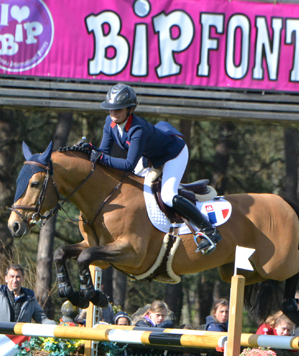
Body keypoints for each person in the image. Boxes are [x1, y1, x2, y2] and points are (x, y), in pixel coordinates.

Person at [92, 83, 221, 255]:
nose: (113, 113)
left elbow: (128, 164)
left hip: (173, 153)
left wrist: (100, 157)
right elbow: (103, 153)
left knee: (168, 196)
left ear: (130, 109)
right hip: (151, 156)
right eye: (110, 109)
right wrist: (90, 152)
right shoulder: (110, 123)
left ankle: (209, 230)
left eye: (118, 109)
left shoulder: (137, 128)